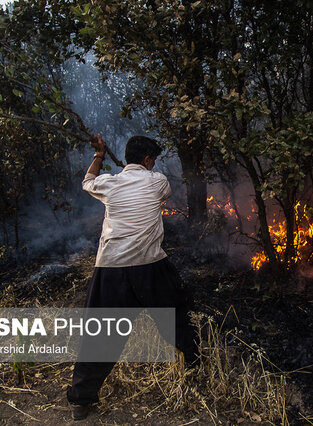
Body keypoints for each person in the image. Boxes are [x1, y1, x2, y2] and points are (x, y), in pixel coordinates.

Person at [67, 134, 198, 421]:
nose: (155, 164)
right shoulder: (158, 181)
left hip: (111, 268)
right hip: (149, 266)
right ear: (148, 160)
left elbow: (87, 181)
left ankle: (81, 400)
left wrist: (99, 156)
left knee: (99, 335)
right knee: (178, 314)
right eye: (153, 160)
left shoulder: (108, 184)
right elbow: (161, 193)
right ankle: (196, 366)